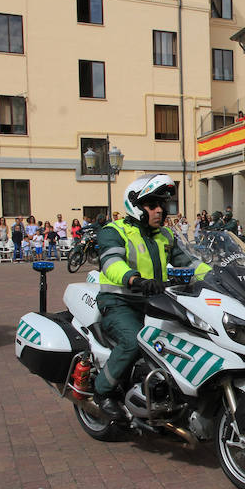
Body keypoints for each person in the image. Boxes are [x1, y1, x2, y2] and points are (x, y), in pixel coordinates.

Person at [93, 174, 205, 418]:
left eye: (161, 206)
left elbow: (190, 263)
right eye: (152, 205)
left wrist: (218, 274)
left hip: (157, 302)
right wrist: (135, 279)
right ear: (135, 205)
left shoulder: (165, 236)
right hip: (120, 302)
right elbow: (111, 263)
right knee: (134, 342)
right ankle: (102, 392)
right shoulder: (114, 231)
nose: (159, 211)